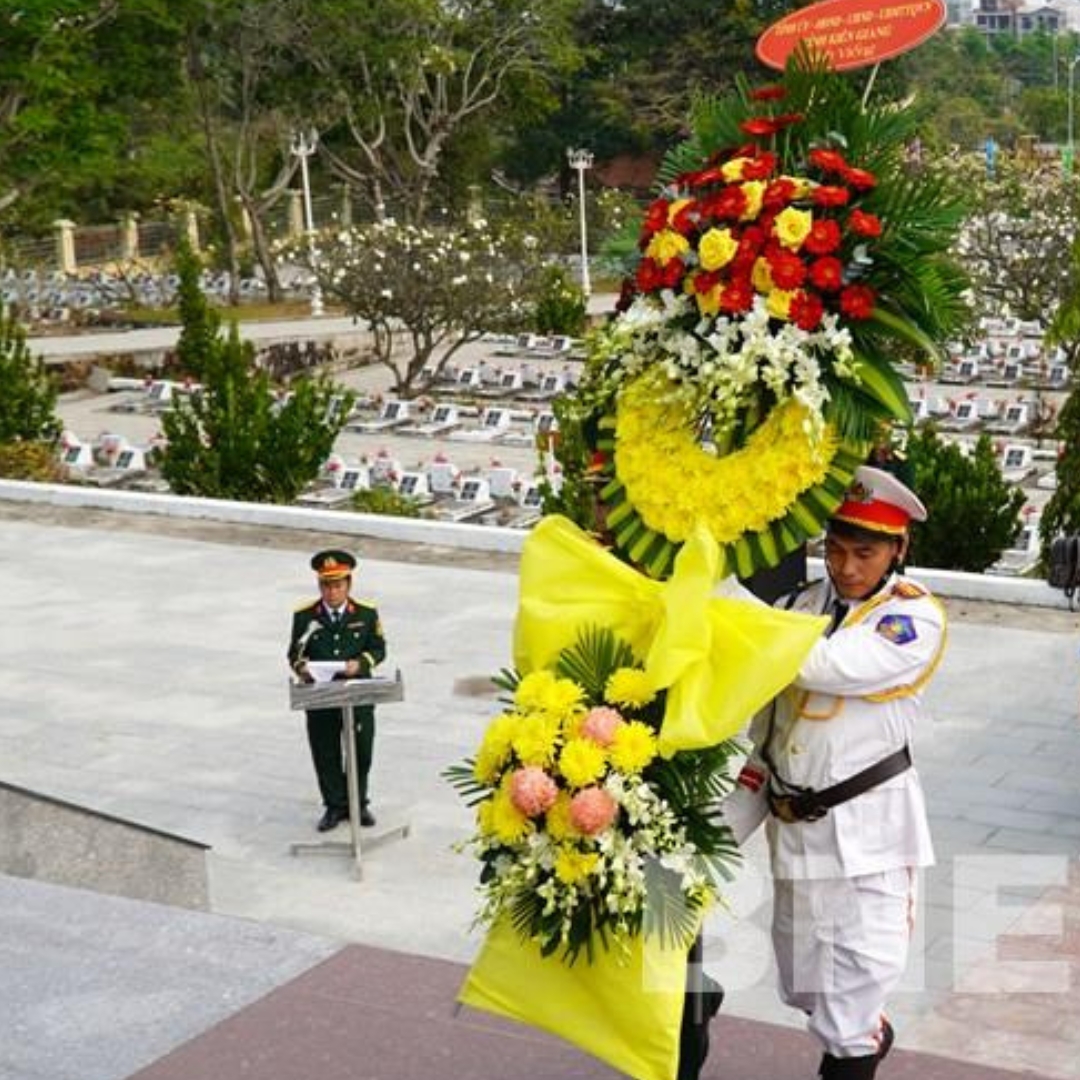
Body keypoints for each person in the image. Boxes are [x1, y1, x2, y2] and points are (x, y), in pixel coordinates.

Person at [723, 465, 946, 1080]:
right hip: (797, 836)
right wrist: (720, 832)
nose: (847, 567)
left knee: (847, 1014)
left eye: (865, 554)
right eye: (836, 550)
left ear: (898, 549)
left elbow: (821, 665)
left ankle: (857, 1041)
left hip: (871, 840)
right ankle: (866, 1029)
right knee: (804, 990)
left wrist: (721, 591)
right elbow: (767, 742)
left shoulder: (913, 619)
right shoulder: (797, 606)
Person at [288, 548, 387, 832]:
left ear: (348, 585)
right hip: (321, 695)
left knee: (361, 751)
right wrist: (301, 668)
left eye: (337, 585)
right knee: (325, 751)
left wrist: (362, 663)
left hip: (357, 693)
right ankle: (334, 805)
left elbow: (379, 648)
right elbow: (294, 652)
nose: (332, 592)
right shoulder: (305, 616)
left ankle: (358, 802)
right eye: (326, 586)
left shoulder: (366, 613)